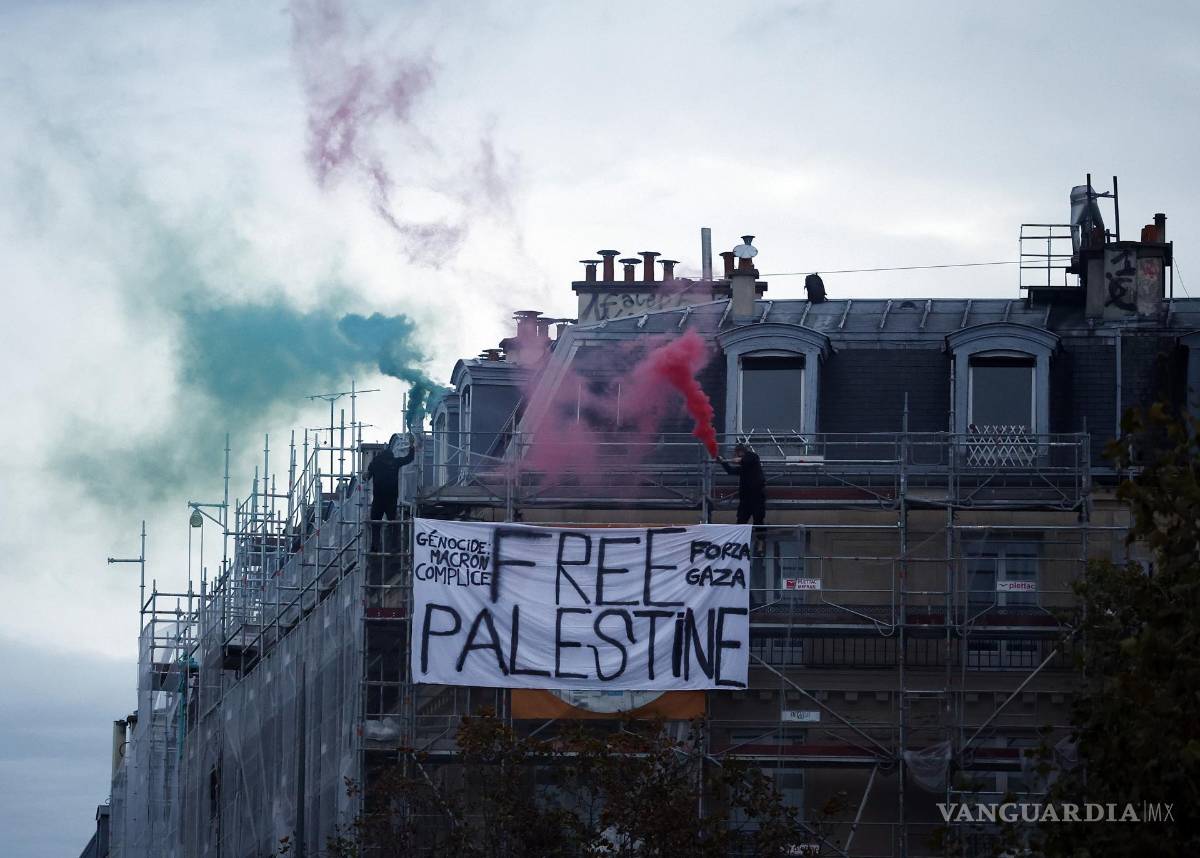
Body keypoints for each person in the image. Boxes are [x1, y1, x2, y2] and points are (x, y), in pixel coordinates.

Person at [367, 432, 416, 552]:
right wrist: (412, 447)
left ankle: (376, 546)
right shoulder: (394, 462)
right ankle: (392, 546)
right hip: (390, 498)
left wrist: (366, 476)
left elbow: (367, 476)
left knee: (376, 523)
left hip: (380, 498)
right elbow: (409, 458)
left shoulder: (376, 463)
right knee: (392, 523)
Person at [717, 442, 766, 526]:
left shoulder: (753, 457)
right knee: (741, 519)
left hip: (756, 495)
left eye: (737, 452)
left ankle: (760, 538)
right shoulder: (744, 467)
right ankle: (744, 538)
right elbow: (731, 471)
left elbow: (749, 459)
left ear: (741, 451)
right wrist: (723, 462)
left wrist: (740, 460)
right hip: (746, 497)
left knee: (758, 519)